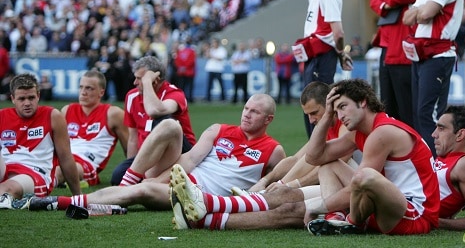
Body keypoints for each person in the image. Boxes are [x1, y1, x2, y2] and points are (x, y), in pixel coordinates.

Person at [169, 79, 439, 236]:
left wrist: (316, 204)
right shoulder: (358, 131)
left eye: (343, 107)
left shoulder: (381, 132)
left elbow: (362, 182)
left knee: (295, 205)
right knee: (303, 187)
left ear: (363, 103)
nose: (340, 115)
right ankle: (203, 214)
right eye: (336, 109)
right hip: (378, 200)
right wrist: (327, 118)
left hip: (411, 213)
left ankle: (346, 222)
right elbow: (314, 156)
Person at [20, 94, 285, 212]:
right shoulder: (220, 129)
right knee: (170, 124)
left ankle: (60, 202)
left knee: (142, 192)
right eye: (246, 108)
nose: (246, 114)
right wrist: (161, 178)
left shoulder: (273, 150)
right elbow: (190, 159)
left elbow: (278, 180)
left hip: (199, 196)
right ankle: (129, 181)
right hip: (179, 175)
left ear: (269, 119)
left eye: (254, 112)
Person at [402, 0, 464, 156]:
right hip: (423, 55)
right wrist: (424, 12)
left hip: (438, 55)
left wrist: (425, 11)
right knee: (421, 113)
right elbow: (408, 18)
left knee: (430, 114)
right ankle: (429, 161)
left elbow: (424, 13)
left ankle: (437, 161)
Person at [369, 0, 434, 122]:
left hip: (404, 52)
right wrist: (386, 3)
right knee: (387, 108)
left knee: (406, 110)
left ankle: (411, 150)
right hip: (387, 47)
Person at [294, 0, 353, 137]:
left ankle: (324, 149)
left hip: (322, 55)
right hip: (313, 54)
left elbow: (337, 31)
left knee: (318, 104)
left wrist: (342, 55)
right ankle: (314, 150)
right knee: (310, 104)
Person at [110, 55, 196, 186]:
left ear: (155, 80)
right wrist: (132, 168)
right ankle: (147, 178)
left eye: (140, 79)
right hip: (149, 152)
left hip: (180, 150)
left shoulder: (174, 93)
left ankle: (154, 178)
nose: (135, 83)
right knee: (117, 177)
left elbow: (155, 111)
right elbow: (133, 138)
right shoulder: (132, 96)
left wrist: (147, 83)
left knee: (163, 120)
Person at [0, 73, 80, 208]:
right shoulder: (2, 115)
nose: (27, 103)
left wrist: (78, 197)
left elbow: (66, 158)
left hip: (34, 174)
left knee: (8, 188)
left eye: (31, 98)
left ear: (38, 95)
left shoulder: (53, 116)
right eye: (21, 99)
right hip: (5, 168)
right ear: (13, 98)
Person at [57, 70, 128, 187]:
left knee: (62, 170)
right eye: (81, 87)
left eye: (89, 88)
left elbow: (129, 149)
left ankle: (36, 192)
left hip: (85, 164)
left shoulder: (113, 113)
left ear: (101, 92)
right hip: (63, 158)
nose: (83, 92)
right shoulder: (67, 110)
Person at [204, 38, 227, 102]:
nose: (213, 44)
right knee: (209, 84)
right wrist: (208, 50)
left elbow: (220, 58)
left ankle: (223, 98)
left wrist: (212, 56)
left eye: (214, 42)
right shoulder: (211, 50)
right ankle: (208, 98)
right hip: (210, 68)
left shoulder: (222, 50)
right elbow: (206, 56)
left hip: (218, 69)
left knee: (221, 84)